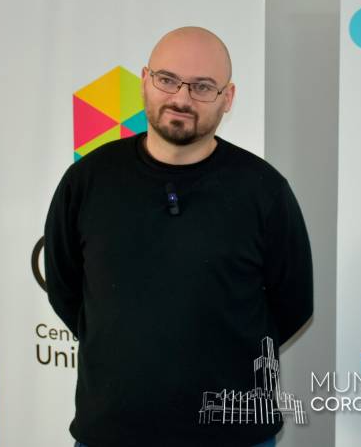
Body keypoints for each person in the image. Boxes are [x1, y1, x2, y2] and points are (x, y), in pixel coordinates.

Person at [45, 27, 313, 447]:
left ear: (228, 97)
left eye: (203, 86)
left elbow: (294, 303)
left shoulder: (264, 190)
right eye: (167, 79)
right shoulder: (88, 181)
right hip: (111, 431)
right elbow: (64, 288)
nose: (182, 98)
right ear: (144, 80)